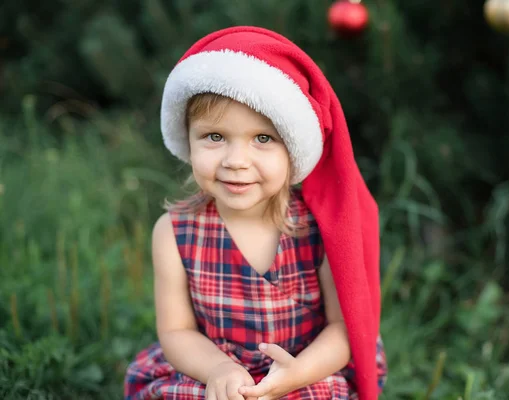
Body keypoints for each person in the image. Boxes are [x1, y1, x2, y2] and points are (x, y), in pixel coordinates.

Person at [124, 26, 387, 400]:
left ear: (293, 149)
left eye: (262, 139)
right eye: (214, 137)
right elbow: (176, 331)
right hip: (212, 368)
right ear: (188, 137)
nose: (236, 161)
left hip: (303, 368)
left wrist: (298, 373)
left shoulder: (318, 230)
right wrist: (218, 370)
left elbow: (343, 330)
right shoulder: (174, 232)